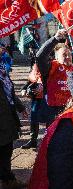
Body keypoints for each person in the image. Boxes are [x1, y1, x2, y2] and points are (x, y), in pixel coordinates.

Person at [36, 29, 73, 126]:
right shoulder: (51, 67)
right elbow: (40, 57)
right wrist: (55, 39)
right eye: (64, 55)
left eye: (69, 54)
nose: (68, 57)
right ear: (56, 58)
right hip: (54, 112)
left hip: (72, 110)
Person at [0, 59, 28, 189]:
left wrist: (21, 107)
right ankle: (8, 180)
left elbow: (9, 93)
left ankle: (8, 180)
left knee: (7, 149)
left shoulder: (2, 69)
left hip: (7, 116)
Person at [20, 63, 44, 149]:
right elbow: (30, 81)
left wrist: (43, 87)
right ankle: (33, 140)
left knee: (51, 119)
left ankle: (50, 141)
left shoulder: (52, 65)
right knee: (34, 118)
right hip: (37, 98)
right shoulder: (36, 66)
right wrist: (24, 89)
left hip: (49, 97)